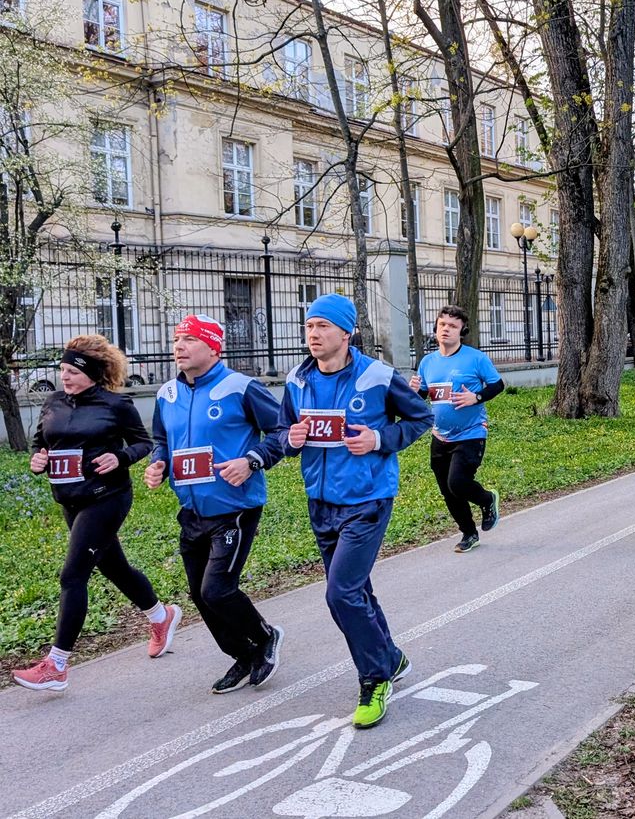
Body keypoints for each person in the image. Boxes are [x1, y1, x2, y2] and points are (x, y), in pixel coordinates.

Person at [279, 294, 433, 730]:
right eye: (309, 326)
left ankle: (375, 679)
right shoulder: (297, 380)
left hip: (367, 499)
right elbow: (283, 430)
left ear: (347, 333)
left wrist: (379, 440)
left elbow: (421, 418)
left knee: (341, 594)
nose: (313, 334)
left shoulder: (377, 376)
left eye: (323, 326)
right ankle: (389, 657)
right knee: (354, 590)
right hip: (320, 501)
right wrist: (289, 439)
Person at [13, 335, 181, 692]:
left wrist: (119, 457)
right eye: (62, 370)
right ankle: (160, 615)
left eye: (73, 371)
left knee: (72, 575)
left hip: (107, 497)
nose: (65, 377)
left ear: (92, 373)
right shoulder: (54, 402)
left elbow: (142, 443)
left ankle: (57, 665)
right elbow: (41, 443)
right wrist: (38, 459)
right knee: (114, 566)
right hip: (70, 498)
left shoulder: (116, 404)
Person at [144, 315, 287, 694]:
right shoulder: (166, 395)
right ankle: (244, 654)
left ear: (213, 348)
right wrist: (158, 463)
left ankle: (266, 636)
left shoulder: (240, 388)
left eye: (189, 340)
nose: (179, 347)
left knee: (217, 589)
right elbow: (161, 440)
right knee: (199, 595)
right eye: (177, 339)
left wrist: (252, 460)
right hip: (192, 512)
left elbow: (282, 431)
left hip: (234, 508)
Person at [409, 305, 505, 554]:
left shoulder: (475, 358)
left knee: (458, 482)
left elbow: (497, 385)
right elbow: (422, 396)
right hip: (440, 435)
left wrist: (476, 397)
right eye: (442, 324)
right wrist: (413, 392)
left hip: (471, 432)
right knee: (448, 490)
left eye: (452, 326)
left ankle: (487, 499)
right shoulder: (427, 362)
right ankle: (468, 533)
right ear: (436, 328)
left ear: (462, 331)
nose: (446, 329)